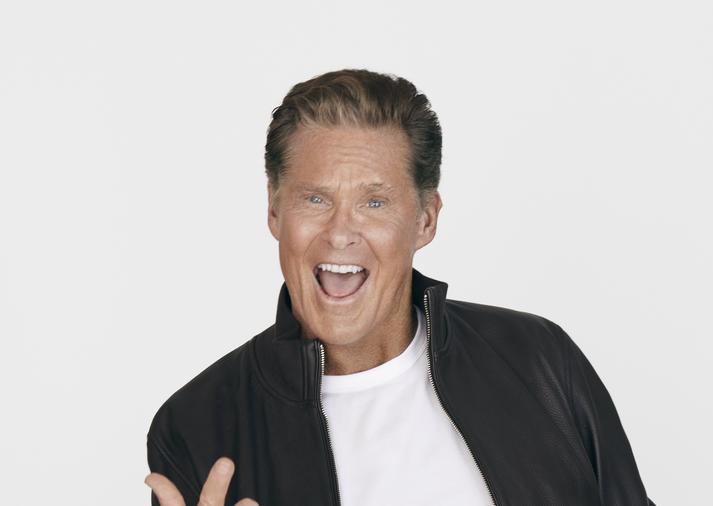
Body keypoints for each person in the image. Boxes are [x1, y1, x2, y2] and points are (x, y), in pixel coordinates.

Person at [144, 68, 656, 506]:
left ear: (425, 220)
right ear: (275, 211)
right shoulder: (198, 423)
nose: (340, 233)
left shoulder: (538, 361)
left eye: (375, 202)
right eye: (315, 199)